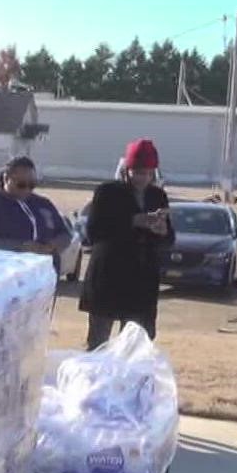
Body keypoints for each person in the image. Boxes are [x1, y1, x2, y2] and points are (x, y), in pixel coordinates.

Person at [78, 139, 173, 350]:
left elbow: (169, 239)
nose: (144, 178)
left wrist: (162, 230)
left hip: (142, 282)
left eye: (149, 173)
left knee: (134, 348)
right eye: (138, 172)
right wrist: (134, 221)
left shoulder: (157, 196)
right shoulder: (107, 192)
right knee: (98, 344)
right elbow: (94, 232)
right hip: (109, 278)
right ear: (127, 170)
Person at [0, 156, 72, 267]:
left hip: (45, 276)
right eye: (21, 185)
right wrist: (21, 247)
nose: (27, 190)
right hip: (9, 274)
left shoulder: (43, 204)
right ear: (6, 179)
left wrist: (53, 245)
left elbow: (65, 233)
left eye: (32, 185)